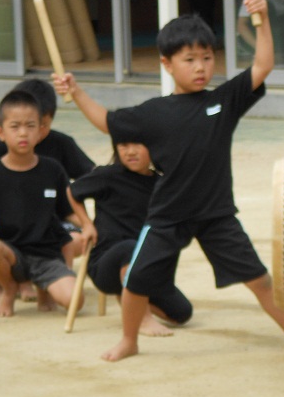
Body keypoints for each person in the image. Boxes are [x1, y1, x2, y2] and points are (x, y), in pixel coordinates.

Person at [53, 0, 284, 362]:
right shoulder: (153, 113)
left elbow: (262, 65)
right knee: (135, 283)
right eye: (190, 59)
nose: (201, 67)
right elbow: (105, 122)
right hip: (167, 215)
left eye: (208, 58)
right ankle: (129, 341)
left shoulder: (223, 101)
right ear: (166, 64)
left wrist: (262, 21)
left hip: (216, 214)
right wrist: (77, 90)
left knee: (260, 280)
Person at [0, 79, 95, 301]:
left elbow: (89, 180)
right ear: (2, 131)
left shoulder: (54, 164)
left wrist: (90, 224)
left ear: (45, 123)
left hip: (45, 238)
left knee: (72, 241)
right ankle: (12, 284)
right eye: (15, 125)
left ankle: (45, 282)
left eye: (32, 124)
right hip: (5, 241)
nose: (23, 133)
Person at [68, 141, 193, 336]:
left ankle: (129, 298)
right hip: (107, 263)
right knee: (130, 248)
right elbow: (72, 191)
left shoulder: (161, 184)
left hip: (146, 266)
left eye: (138, 145)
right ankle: (142, 319)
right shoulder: (107, 175)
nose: (130, 152)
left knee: (182, 314)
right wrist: (86, 224)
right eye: (123, 146)